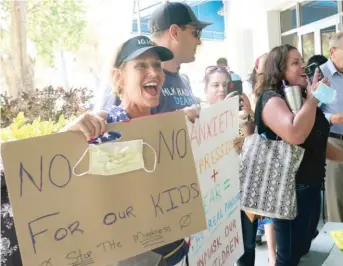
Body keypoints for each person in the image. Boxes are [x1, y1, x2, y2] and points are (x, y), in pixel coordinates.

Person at [62, 35, 200, 266]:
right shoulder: (107, 124)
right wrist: (74, 128)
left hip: (174, 249)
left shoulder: (167, 126)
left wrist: (207, 135)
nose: (154, 72)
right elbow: (54, 161)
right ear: (119, 77)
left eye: (157, 65)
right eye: (141, 65)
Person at [237, 44, 343, 266]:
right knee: (288, 258)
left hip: (312, 187)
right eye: (295, 63)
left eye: (301, 60)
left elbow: (317, 143)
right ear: (279, 69)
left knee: (302, 247)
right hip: (289, 191)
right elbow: (295, 133)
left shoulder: (301, 98)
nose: (303, 66)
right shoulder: (271, 99)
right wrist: (313, 100)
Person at [320, 32, 343, 223]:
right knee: (337, 198)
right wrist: (333, 118)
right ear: (333, 52)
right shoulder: (324, 76)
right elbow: (313, 113)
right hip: (335, 141)